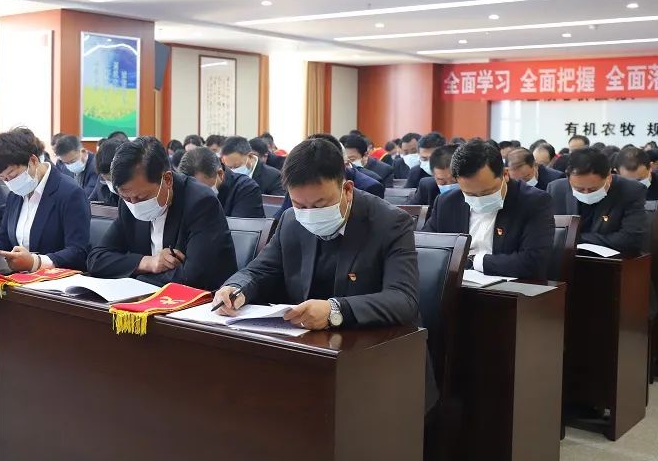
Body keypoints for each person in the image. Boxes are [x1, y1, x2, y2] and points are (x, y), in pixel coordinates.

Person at [213, 136, 420, 332]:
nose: (310, 213)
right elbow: (260, 270)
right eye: (300, 205)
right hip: (306, 339)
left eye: (320, 205)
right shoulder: (291, 220)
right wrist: (236, 288)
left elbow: (403, 299)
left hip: (373, 342)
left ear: (347, 190)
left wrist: (335, 310)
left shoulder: (390, 223)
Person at [87, 136, 237, 290]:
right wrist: (148, 263)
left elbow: (193, 276)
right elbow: (97, 259)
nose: (134, 204)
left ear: (167, 179)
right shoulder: (129, 201)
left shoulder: (201, 202)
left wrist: (136, 278)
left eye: (141, 197)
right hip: (146, 294)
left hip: (202, 299)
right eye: (126, 198)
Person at [424, 140, 554, 279]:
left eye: (487, 192)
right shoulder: (447, 202)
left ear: (505, 174)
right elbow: (425, 248)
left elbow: (533, 261)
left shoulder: (534, 202)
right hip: (454, 283)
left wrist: (475, 261)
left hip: (509, 287)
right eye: (470, 194)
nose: (479, 199)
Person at [0, 130, 90, 271]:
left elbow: (77, 251)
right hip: (18, 275)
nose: (10, 182)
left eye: (12, 175)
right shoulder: (16, 193)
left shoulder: (69, 193)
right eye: (3, 179)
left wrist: (35, 262)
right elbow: (3, 236)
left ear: (33, 161)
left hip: (54, 277)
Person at [547, 148, 646, 255]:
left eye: (593, 189)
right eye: (579, 189)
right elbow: (548, 232)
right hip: (566, 257)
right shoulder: (556, 189)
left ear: (608, 177)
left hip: (612, 260)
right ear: (569, 179)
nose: (586, 193)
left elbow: (631, 239)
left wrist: (575, 238)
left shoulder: (631, 190)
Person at [178, 147, 264, 218]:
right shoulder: (183, 189)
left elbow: (241, 231)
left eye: (201, 188)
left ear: (220, 174)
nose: (196, 194)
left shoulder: (246, 189)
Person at [616, 147, 658, 233]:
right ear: (617, 173)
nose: (635, 185)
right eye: (628, 181)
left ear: (651, 167)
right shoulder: (613, 187)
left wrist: (638, 226)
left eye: (640, 180)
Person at [408, 144, 458, 215]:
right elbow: (409, 213)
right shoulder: (428, 186)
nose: (449, 186)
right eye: (442, 182)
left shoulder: (472, 193)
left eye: (455, 181)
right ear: (433, 175)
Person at [90, 138, 122, 206]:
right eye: (107, 180)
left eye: (112, 179)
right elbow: (91, 201)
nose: (110, 183)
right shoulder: (101, 178)